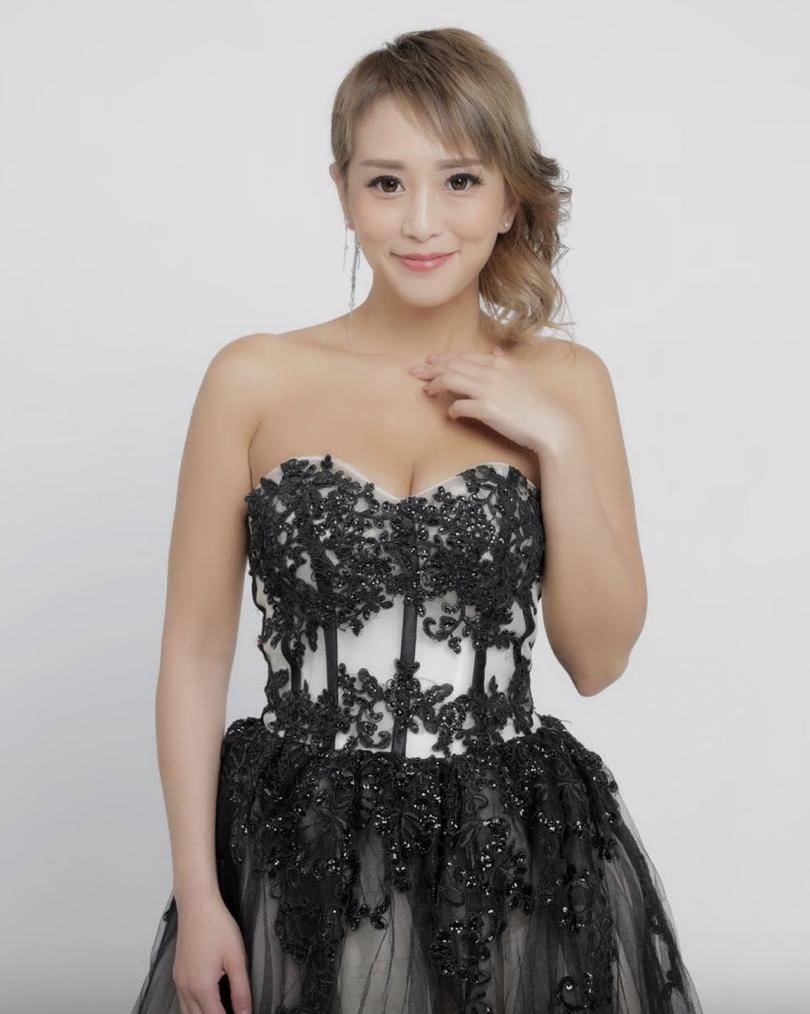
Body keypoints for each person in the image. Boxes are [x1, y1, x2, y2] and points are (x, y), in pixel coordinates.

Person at [131, 26, 704, 1014]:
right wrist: (198, 893)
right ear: (343, 191)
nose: (422, 222)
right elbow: (191, 653)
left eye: (460, 180)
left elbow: (599, 659)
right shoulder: (252, 378)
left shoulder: (569, 383)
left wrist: (557, 442)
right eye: (387, 183)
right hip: (299, 847)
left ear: (510, 195)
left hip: (513, 847)